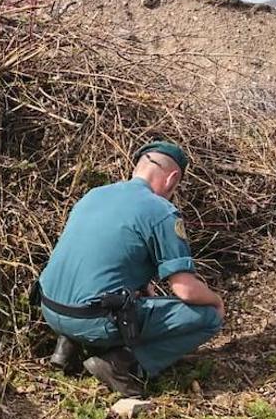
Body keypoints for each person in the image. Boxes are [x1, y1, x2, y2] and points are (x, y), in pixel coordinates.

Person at [36, 141, 225, 396]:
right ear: (172, 178)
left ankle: (67, 344)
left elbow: (102, 260)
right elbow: (185, 289)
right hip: (91, 320)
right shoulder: (161, 211)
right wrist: (217, 301)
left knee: (100, 293)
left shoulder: (95, 194)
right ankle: (123, 364)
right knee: (208, 317)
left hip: (50, 309)